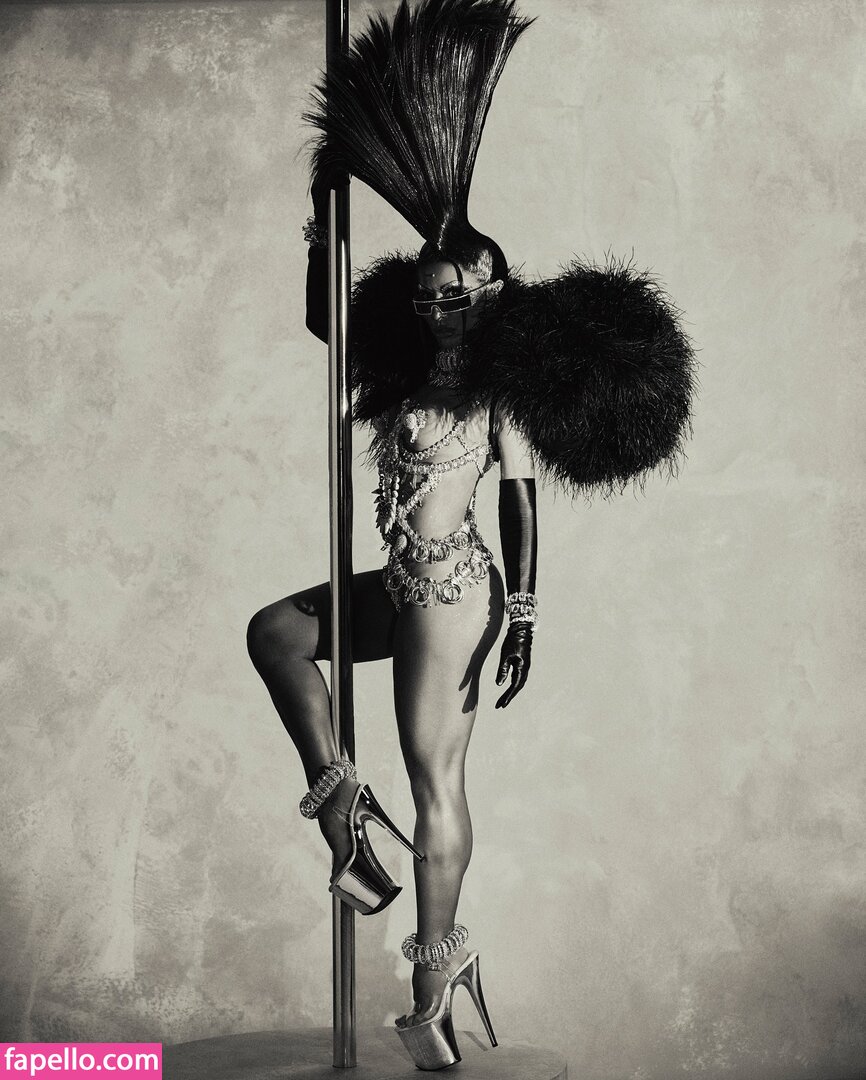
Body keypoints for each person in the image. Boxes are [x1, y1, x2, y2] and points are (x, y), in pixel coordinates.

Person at [247, 0, 695, 1070]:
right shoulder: (403, 370)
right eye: (428, 297)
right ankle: (342, 811)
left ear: (492, 294)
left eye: (457, 298)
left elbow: (518, 501)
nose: (440, 312)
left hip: (455, 592)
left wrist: (524, 615)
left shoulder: (503, 390)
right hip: (405, 577)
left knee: (434, 777)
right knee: (276, 632)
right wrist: (321, 216)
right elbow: (325, 323)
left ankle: (435, 980)